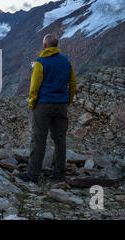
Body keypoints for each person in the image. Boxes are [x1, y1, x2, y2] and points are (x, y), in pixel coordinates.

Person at [17, 33, 77, 183]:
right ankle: (59, 173)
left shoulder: (40, 62)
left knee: (38, 139)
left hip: (43, 105)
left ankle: (33, 175)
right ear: (57, 46)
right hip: (61, 105)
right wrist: (67, 100)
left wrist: (32, 103)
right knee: (60, 139)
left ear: (44, 45)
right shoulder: (66, 61)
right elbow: (73, 83)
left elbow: (34, 87)